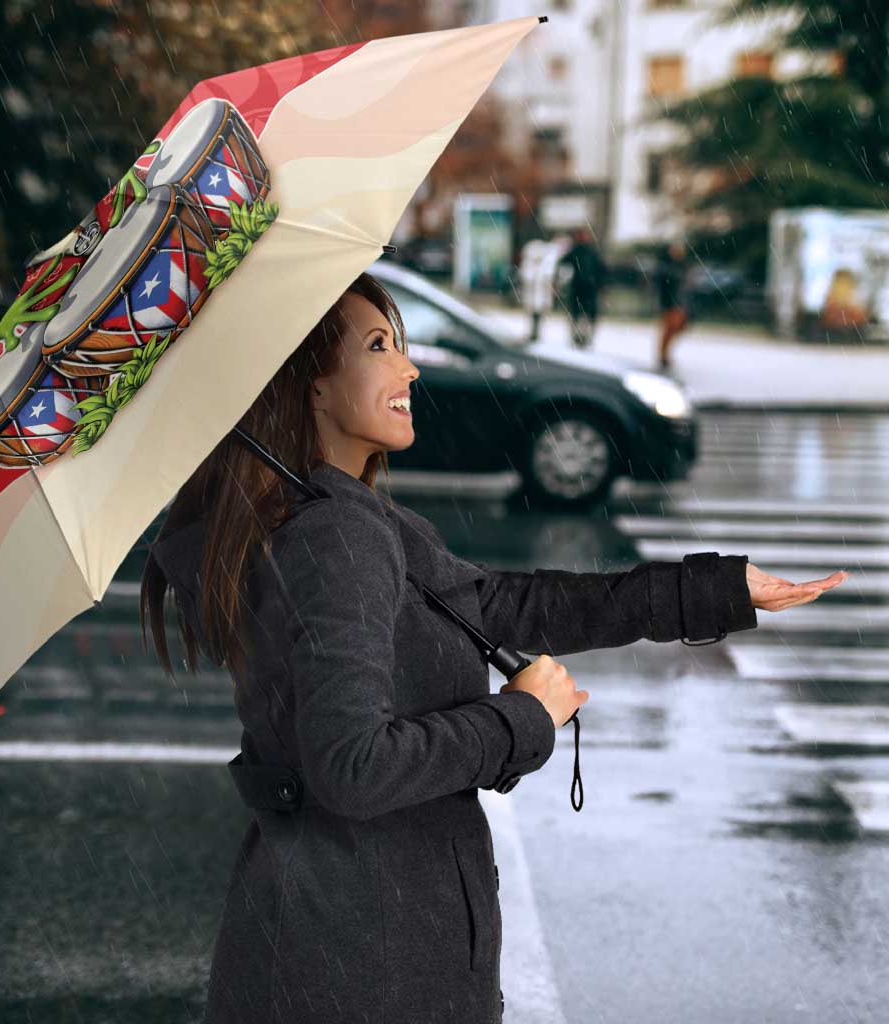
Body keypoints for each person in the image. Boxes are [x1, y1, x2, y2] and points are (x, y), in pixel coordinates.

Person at [141, 271, 838, 1024]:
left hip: (341, 943)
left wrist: (715, 591)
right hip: (363, 963)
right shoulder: (334, 536)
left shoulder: (339, 517)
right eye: (379, 346)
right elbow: (352, 767)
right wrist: (521, 719)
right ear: (310, 385)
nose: (409, 368)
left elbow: (505, 605)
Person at [557, 226, 607, 349]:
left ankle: (584, 337)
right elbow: (563, 264)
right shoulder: (577, 251)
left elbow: (601, 270)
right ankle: (578, 337)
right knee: (578, 314)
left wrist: (600, 284)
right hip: (580, 288)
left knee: (585, 315)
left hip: (588, 288)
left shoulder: (590, 252)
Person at [655, 239, 691, 370]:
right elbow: (664, 286)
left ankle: (664, 354)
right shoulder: (667, 267)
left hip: (679, 303)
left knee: (677, 328)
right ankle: (663, 355)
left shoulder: (682, 266)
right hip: (670, 303)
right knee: (669, 329)